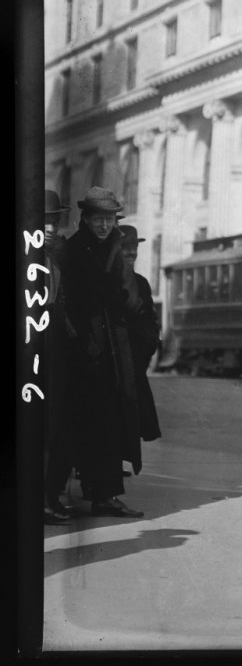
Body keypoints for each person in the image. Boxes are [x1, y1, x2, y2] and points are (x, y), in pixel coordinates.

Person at [59, 187, 144, 518]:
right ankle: (88, 491)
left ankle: (104, 493)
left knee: (109, 423)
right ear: (86, 218)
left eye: (110, 220)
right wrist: (81, 342)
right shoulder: (73, 250)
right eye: (99, 219)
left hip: (111, 351)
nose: (104, 226)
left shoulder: (114, 250)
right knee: (87, 422)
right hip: (82, 348)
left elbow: (129, 296)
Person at [42, 189, 79, 524]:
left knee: (55, 427)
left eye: (54, 220)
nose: (51, 227)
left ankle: (48, 495)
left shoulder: (53, 259)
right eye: (44, 221)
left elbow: (60, 303)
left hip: (52, 347)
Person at [118, 225, 162, 446]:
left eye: (134, 247)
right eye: (125, 247)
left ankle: (117, 464)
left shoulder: (141, 283)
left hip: (135, 361)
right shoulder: (108, 280)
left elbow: (151, 321)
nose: (131, 252)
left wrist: (148, 345)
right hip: (113, 362)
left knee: (131, 418)